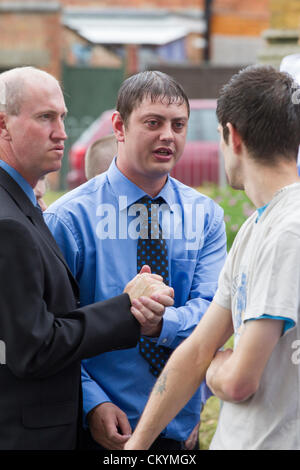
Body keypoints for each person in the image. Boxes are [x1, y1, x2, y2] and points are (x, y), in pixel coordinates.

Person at [45, 70, 227, 451]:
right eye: (153, 122)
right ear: (119, 126)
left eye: (179, 125)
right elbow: (52, 331)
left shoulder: (206, 216)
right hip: (103, 427)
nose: (168, 135)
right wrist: (91, 401)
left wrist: (160, 324)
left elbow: (215, 315)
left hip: (180, 427)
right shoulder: (69, 220)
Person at [124, 65, 300, 451]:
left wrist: (218, 366)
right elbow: (197, 349)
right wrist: (136, 448)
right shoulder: (258, 225)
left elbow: (238, 380)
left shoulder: (288, 231)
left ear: (231, 135)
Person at [0, 66, 174, 450]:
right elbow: (35, 347)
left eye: (61, 117)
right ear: (3, 125)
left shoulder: (22, 205)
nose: (61, 132)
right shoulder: (9, 222)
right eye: (45, 117)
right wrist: (128, 307)